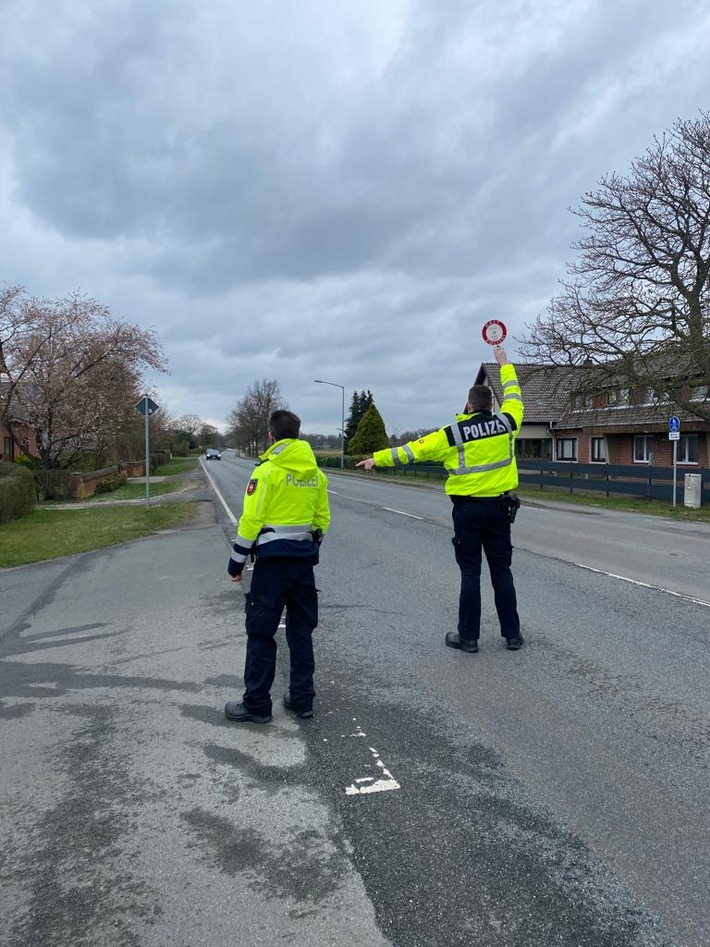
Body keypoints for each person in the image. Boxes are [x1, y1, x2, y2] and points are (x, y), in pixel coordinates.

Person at [356, 345, 524, 653]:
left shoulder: (454, 433)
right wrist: (504, 363)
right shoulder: (507, 423)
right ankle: (512, 635)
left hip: (468, 510)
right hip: (500, 509)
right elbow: (514, 395)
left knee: (470, 572)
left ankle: (469, 637)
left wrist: (377, 459)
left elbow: (414, 449)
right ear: (492, 404)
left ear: (469, 405)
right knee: (502, 571)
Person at [225, 409, 331, 723]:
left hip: (271, 567)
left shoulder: (267, 471)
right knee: (301, 632)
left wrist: (236, 562)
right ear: (298, 435)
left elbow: (251, 520)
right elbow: (322, 520)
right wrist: (308, 547)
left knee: (261, 633)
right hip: (303, 565)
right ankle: (302, 699)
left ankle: (257, 704)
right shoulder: (316, 473)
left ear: (271, 437)